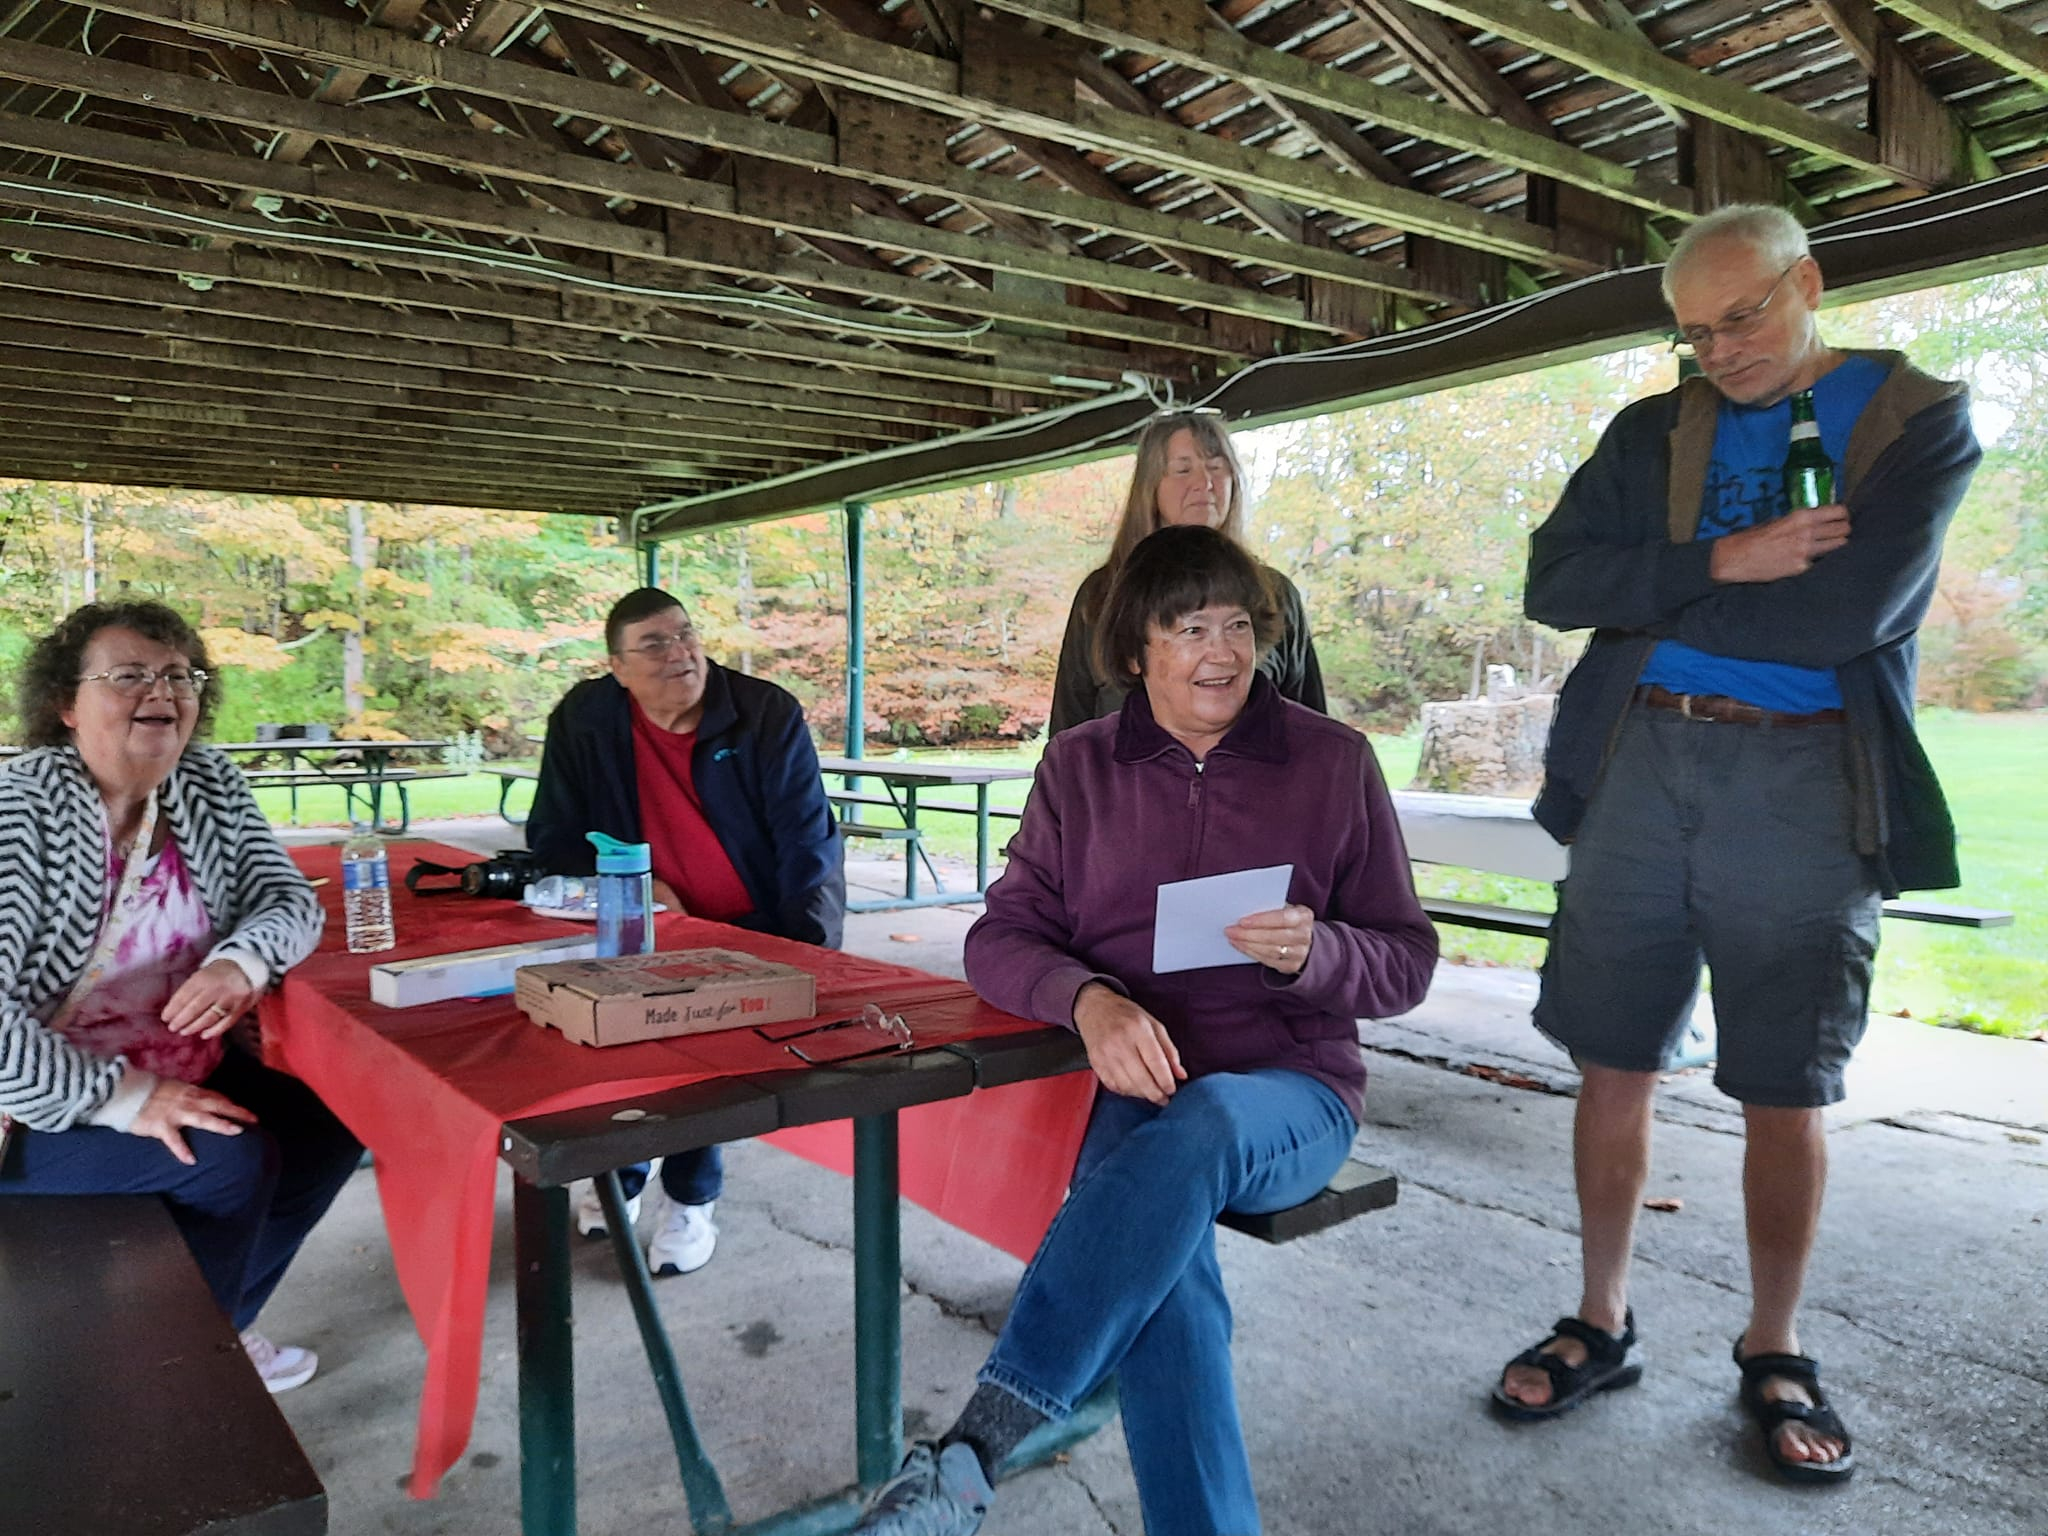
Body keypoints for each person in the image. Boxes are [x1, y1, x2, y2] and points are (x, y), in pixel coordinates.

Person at [1494, 205, 1982, 1484]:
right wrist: (1732, 555)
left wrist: (1660, 591)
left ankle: (1774, 1345)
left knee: (1783, 1081)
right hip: (1636, 765)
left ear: (1804, 283)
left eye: (1742, 316)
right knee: (1610, 1055)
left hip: (1803, 779)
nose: (1719, 349)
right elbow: (1550, 583)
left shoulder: (1910, 419)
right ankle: (1600, 1317)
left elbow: (1846, 612)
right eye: (1693, 331)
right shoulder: (1652, 429)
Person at [852, 526, 1438, 1536]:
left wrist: (1318, 954)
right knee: (1165, 1280)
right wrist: (1088, 1000)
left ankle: (972, 1452)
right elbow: (1001, 938)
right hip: (1127, 1087)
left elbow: (1406, 959)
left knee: (1203, 1126)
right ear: (1135, 652)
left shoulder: (1330, 763)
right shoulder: (1080, 767)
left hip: (1286, 1092)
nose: (1222, 653)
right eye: (1189, 628)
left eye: (1239, 626)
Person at [0, 600, 361, 1393]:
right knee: (226, 1159)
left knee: (333, 1117)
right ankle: (161, 1381)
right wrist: (128, 1100)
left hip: (169, 1062)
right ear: (65, 705)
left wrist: (242, 962)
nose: (159, 689)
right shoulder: (17, 808)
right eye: (127, 674)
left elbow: (288, 899)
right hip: (23, 1100)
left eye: (178, 675)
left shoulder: (205, 780)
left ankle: (217, 1326)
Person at [527, 586, 844, 1275]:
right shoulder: (585, 720)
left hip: (752, 924)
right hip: (639, 922)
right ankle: (621, 1175)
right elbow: (551, 836)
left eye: (686, 634)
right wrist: (631, 887)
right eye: (655, 644)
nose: (681, 653)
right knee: (620, 1051)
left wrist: (810, 957)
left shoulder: (763, 713)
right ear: (616, 667)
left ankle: (690, 1198)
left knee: (707, 1061)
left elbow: (809, 846)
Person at [1048, 411, 1325, 737]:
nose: (1204, 483)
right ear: (1150, 486)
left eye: (1216, 467)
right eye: (1183, 469)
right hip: (1131, 786)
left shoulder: (1275, 594)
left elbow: (1313, 728)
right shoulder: (1101, 594)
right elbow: (1068, 727)